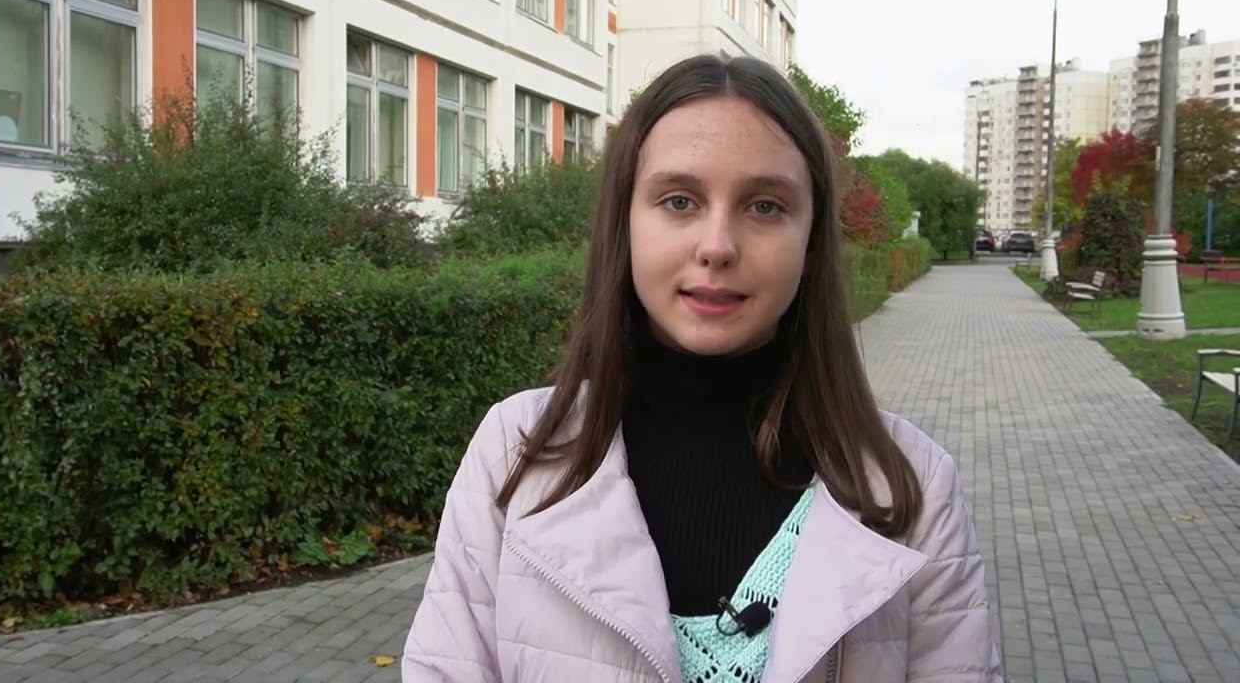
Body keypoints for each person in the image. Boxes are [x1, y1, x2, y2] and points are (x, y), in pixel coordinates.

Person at [403, 55, 1002, 683]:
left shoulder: (912, 487)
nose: (717, 246)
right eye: (679, 200)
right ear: (625, 223)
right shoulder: (517, 452)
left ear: (811, 240)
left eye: (765, 206)